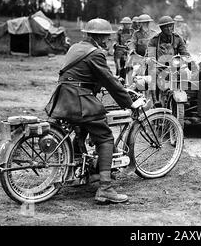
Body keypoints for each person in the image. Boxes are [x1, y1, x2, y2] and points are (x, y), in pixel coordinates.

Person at [45, 18, 141, 204]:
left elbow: (84, 73)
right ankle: (105, 188)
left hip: (63, 97)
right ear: (99, 37)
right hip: (79, 98)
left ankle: (79, 171)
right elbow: (108, 80)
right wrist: (129, 103)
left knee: (81, 130)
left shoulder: (75, 47)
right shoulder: (96, 53)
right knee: (105, 137)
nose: (108, 42)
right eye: (106, 38)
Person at [147, 16, 191, 105]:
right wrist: (150, 59)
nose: (169, 28)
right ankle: (156, 100)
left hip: (173, 66)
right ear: (161, 28)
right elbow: (150, 54)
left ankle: (184, 96)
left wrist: (189, 60)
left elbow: (184, 52)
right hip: (159, 66)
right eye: (166, 27)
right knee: (153, 73)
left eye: (171, 26)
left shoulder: (178, 38)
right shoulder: (154, 40)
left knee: (184, 73)